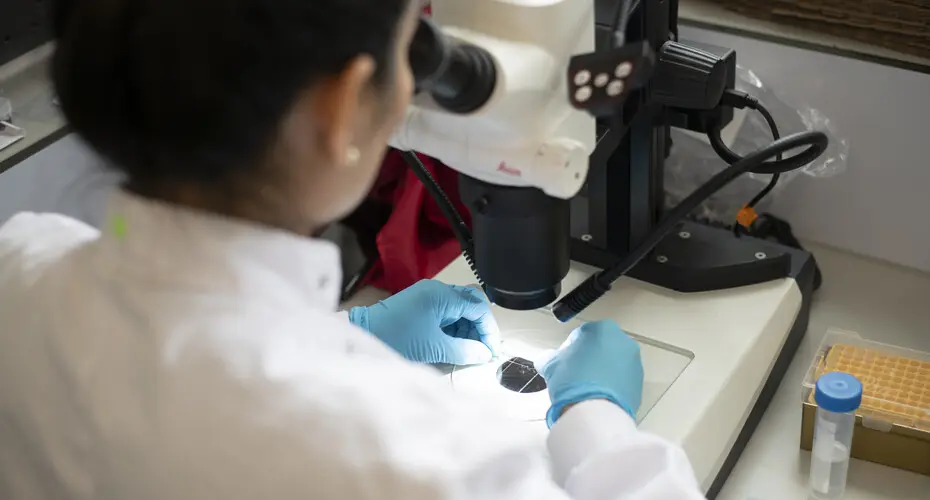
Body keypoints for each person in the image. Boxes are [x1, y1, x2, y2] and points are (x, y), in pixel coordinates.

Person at [0, 0, 705, 498]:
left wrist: (348, 333)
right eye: (412, 53)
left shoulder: (21, 265)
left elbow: (180, 362)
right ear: (341, 107)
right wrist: (598, 423)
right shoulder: (424, 462)